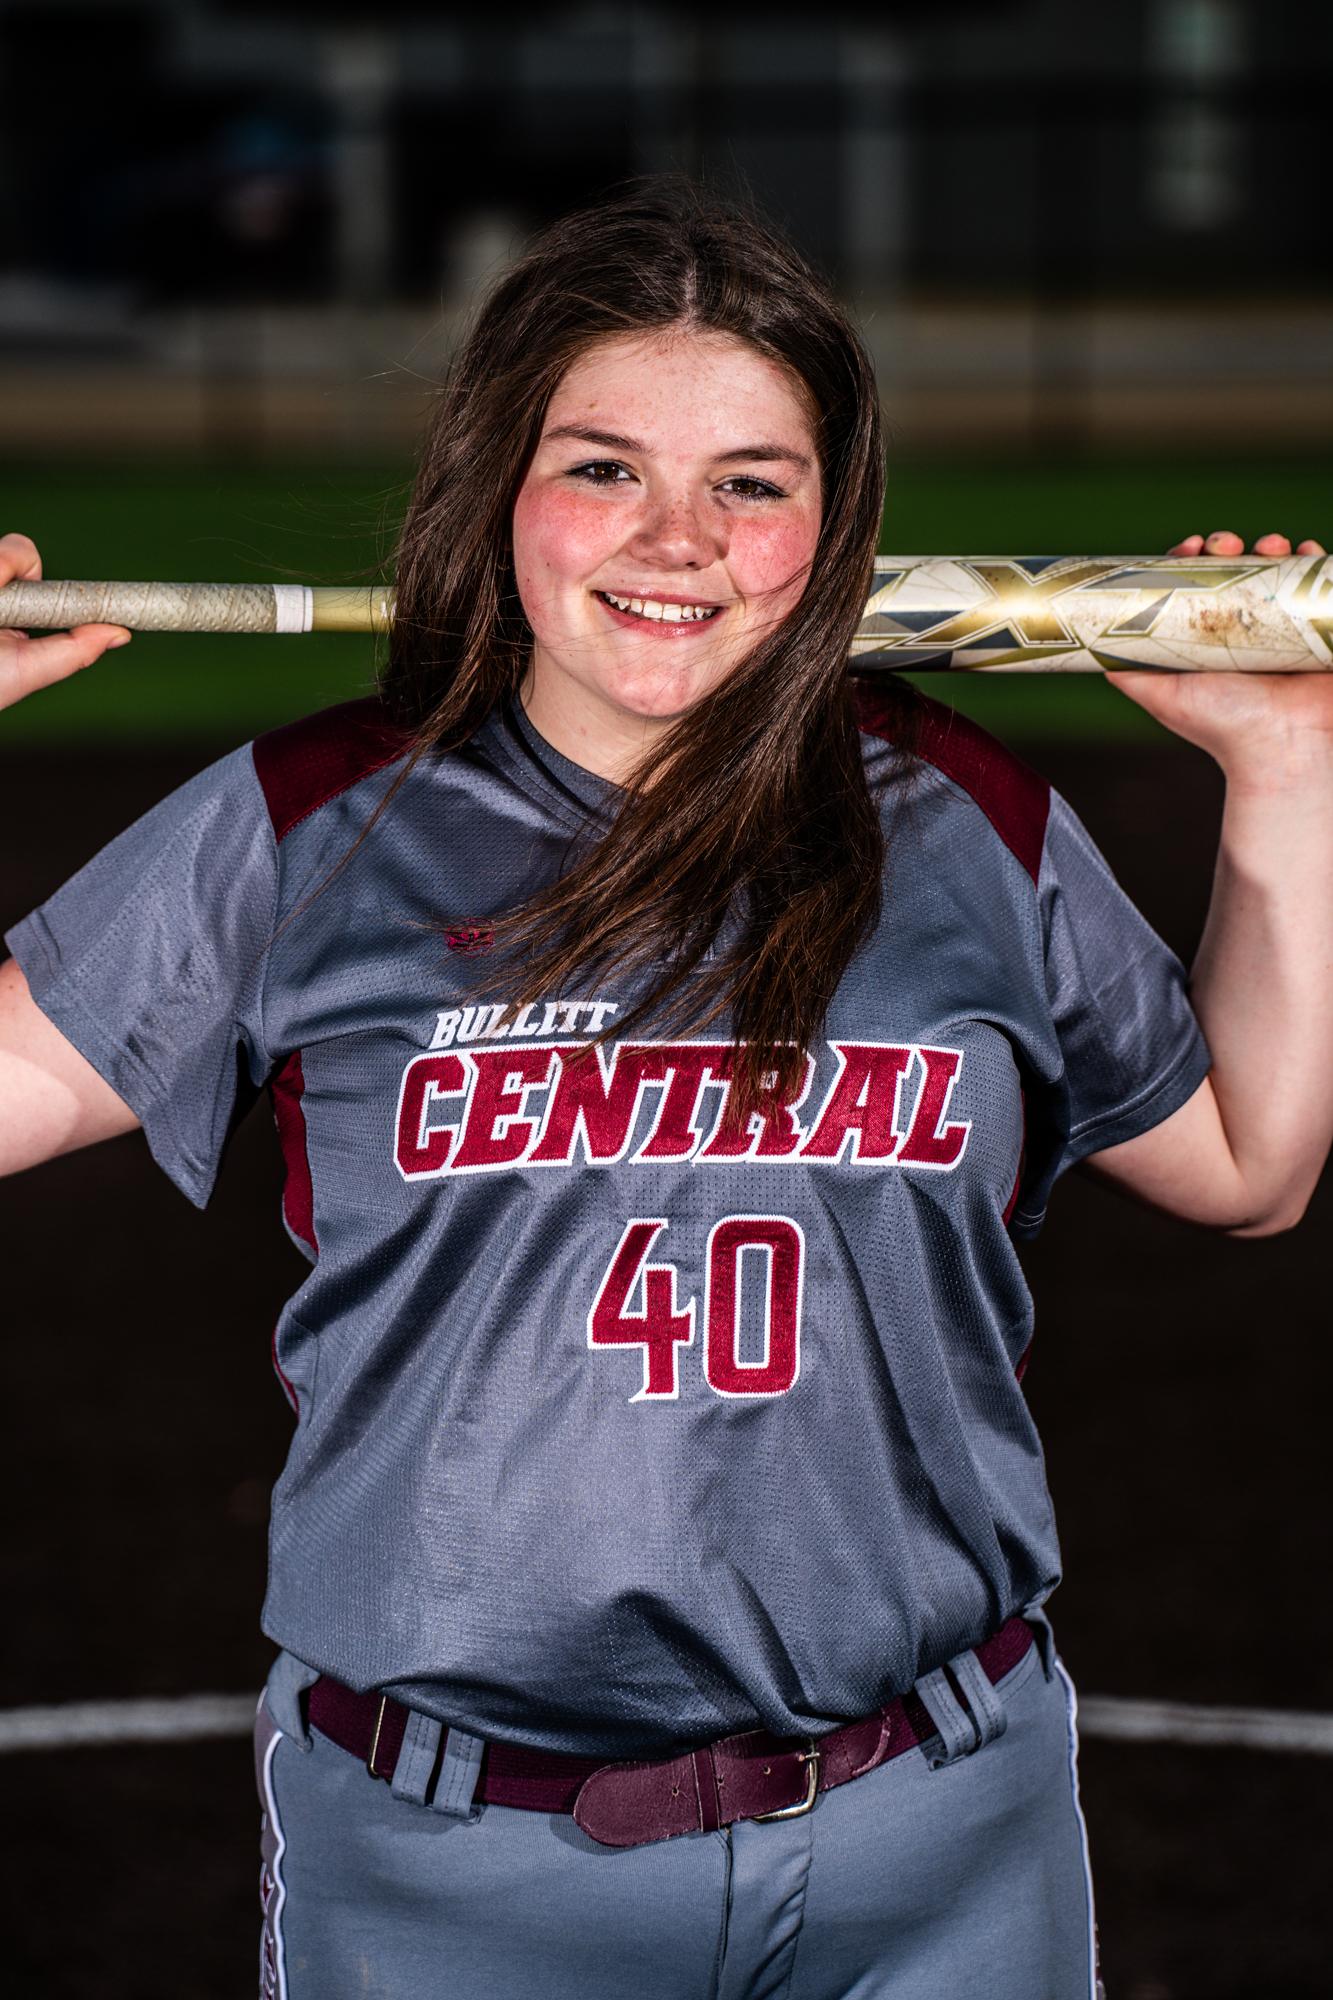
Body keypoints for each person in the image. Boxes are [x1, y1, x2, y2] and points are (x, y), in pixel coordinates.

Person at [3, 187, 1332, 2000]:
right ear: (498, 488)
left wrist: (1286, 771)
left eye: (750, 483)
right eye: (604, 468)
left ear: (831, 527)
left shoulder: (965, 817)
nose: (677, 540)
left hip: (937, 1843)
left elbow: (1250, 1158)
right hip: (457, 1873)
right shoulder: (315, 821)